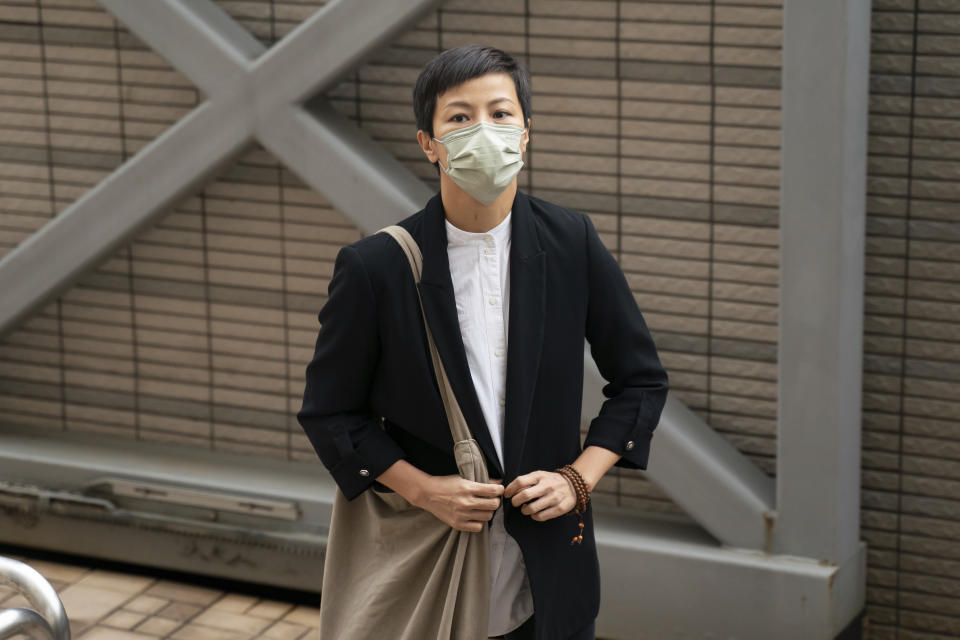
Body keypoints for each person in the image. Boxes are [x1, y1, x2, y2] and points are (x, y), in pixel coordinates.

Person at [296, 44, 669, 640]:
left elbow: (641, 381)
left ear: (525, 134)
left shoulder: (570, 241)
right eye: (459, 117)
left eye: (500, 113)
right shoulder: (378, 267)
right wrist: (426, 491)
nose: (484, 130)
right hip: (434, 558)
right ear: (429, 143)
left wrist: (578, 479)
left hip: (548, 562)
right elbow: (330, 412)